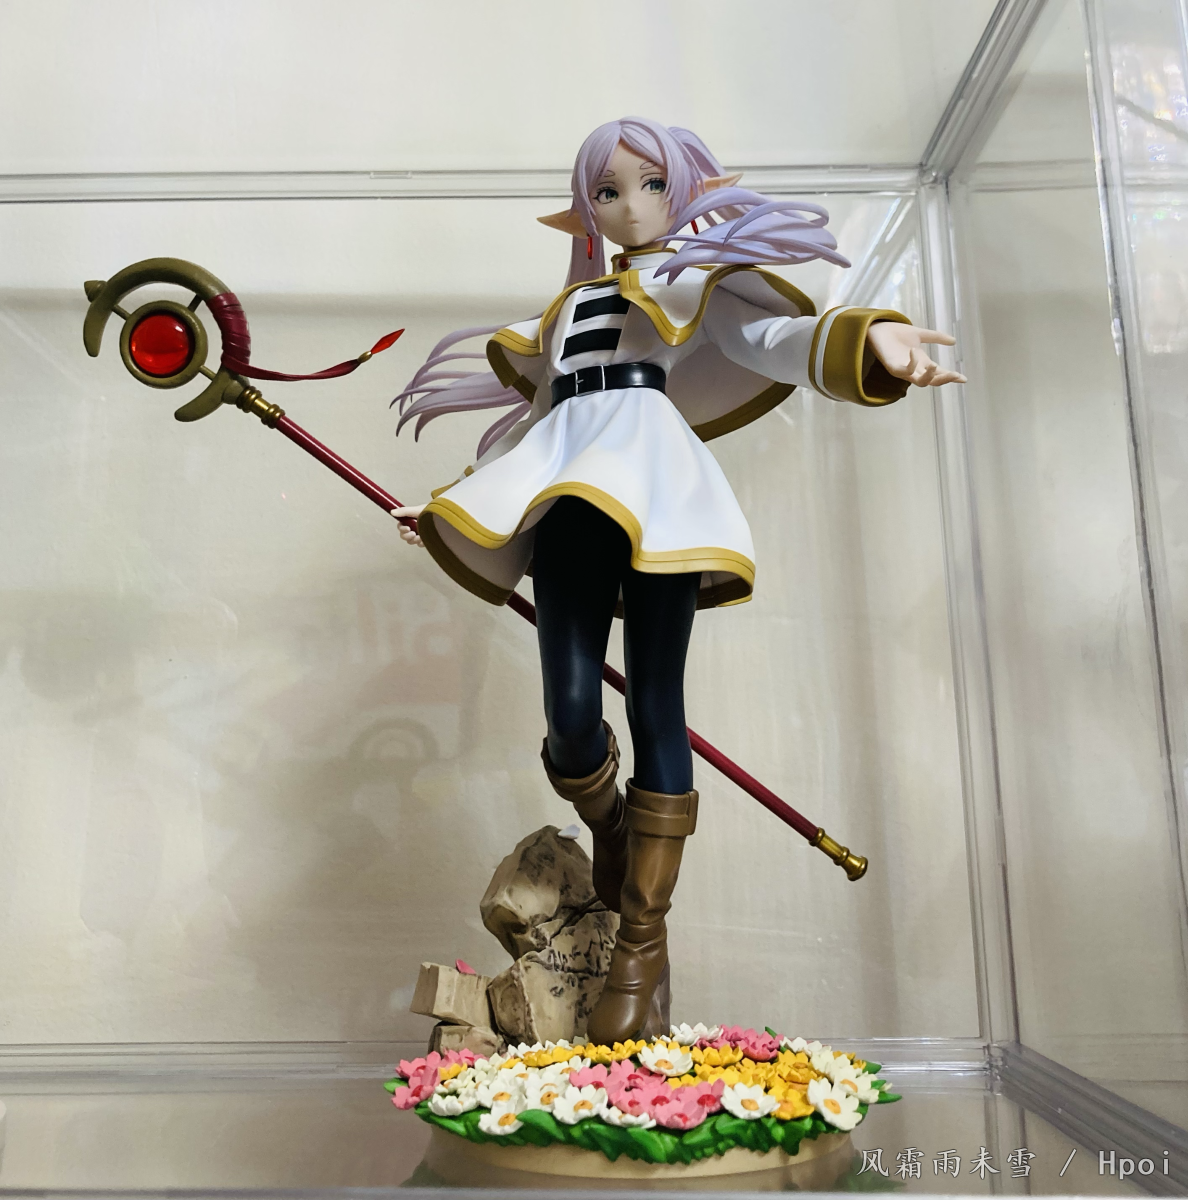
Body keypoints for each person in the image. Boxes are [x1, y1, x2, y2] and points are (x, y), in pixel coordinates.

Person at [390, 117, 964, 1044]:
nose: (630, 206)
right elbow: (535, 423)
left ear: (685, 189)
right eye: (607, 191)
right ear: (587, 208)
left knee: (657, 701)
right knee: (570, 717)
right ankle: (615, 828)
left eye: (651, 184)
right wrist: (455, 501)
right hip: (568, 498)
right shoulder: (567, 310)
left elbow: (775, 337)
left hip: (657, 494)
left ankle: (641, 941)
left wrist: (874, 342)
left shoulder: (695, 282)